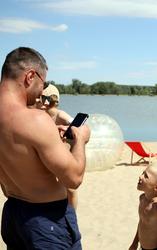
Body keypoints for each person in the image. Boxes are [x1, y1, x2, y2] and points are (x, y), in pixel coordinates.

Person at [0, 47, 90, 249]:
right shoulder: (35, 120)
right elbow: (73, 178)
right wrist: (80, 140)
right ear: (30, 76)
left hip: (13, 214)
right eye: (43, 83)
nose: (42, 91)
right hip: (46, 220)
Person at [36, 84, 78, 209]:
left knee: (69, 188)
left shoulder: (59, 114)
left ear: (49, 100)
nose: (38, 101)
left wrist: (67, 129)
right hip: (51, 153)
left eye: (41, 98)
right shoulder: (41, 115)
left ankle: (72, 213)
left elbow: (73, 123)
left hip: (65, 153)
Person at [129, 162, 157, 250]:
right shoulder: (142, 198)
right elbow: (142, 223)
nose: (140, 176)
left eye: (146, 176)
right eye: (143, 173)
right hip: (142, 247)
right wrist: (135, 243)